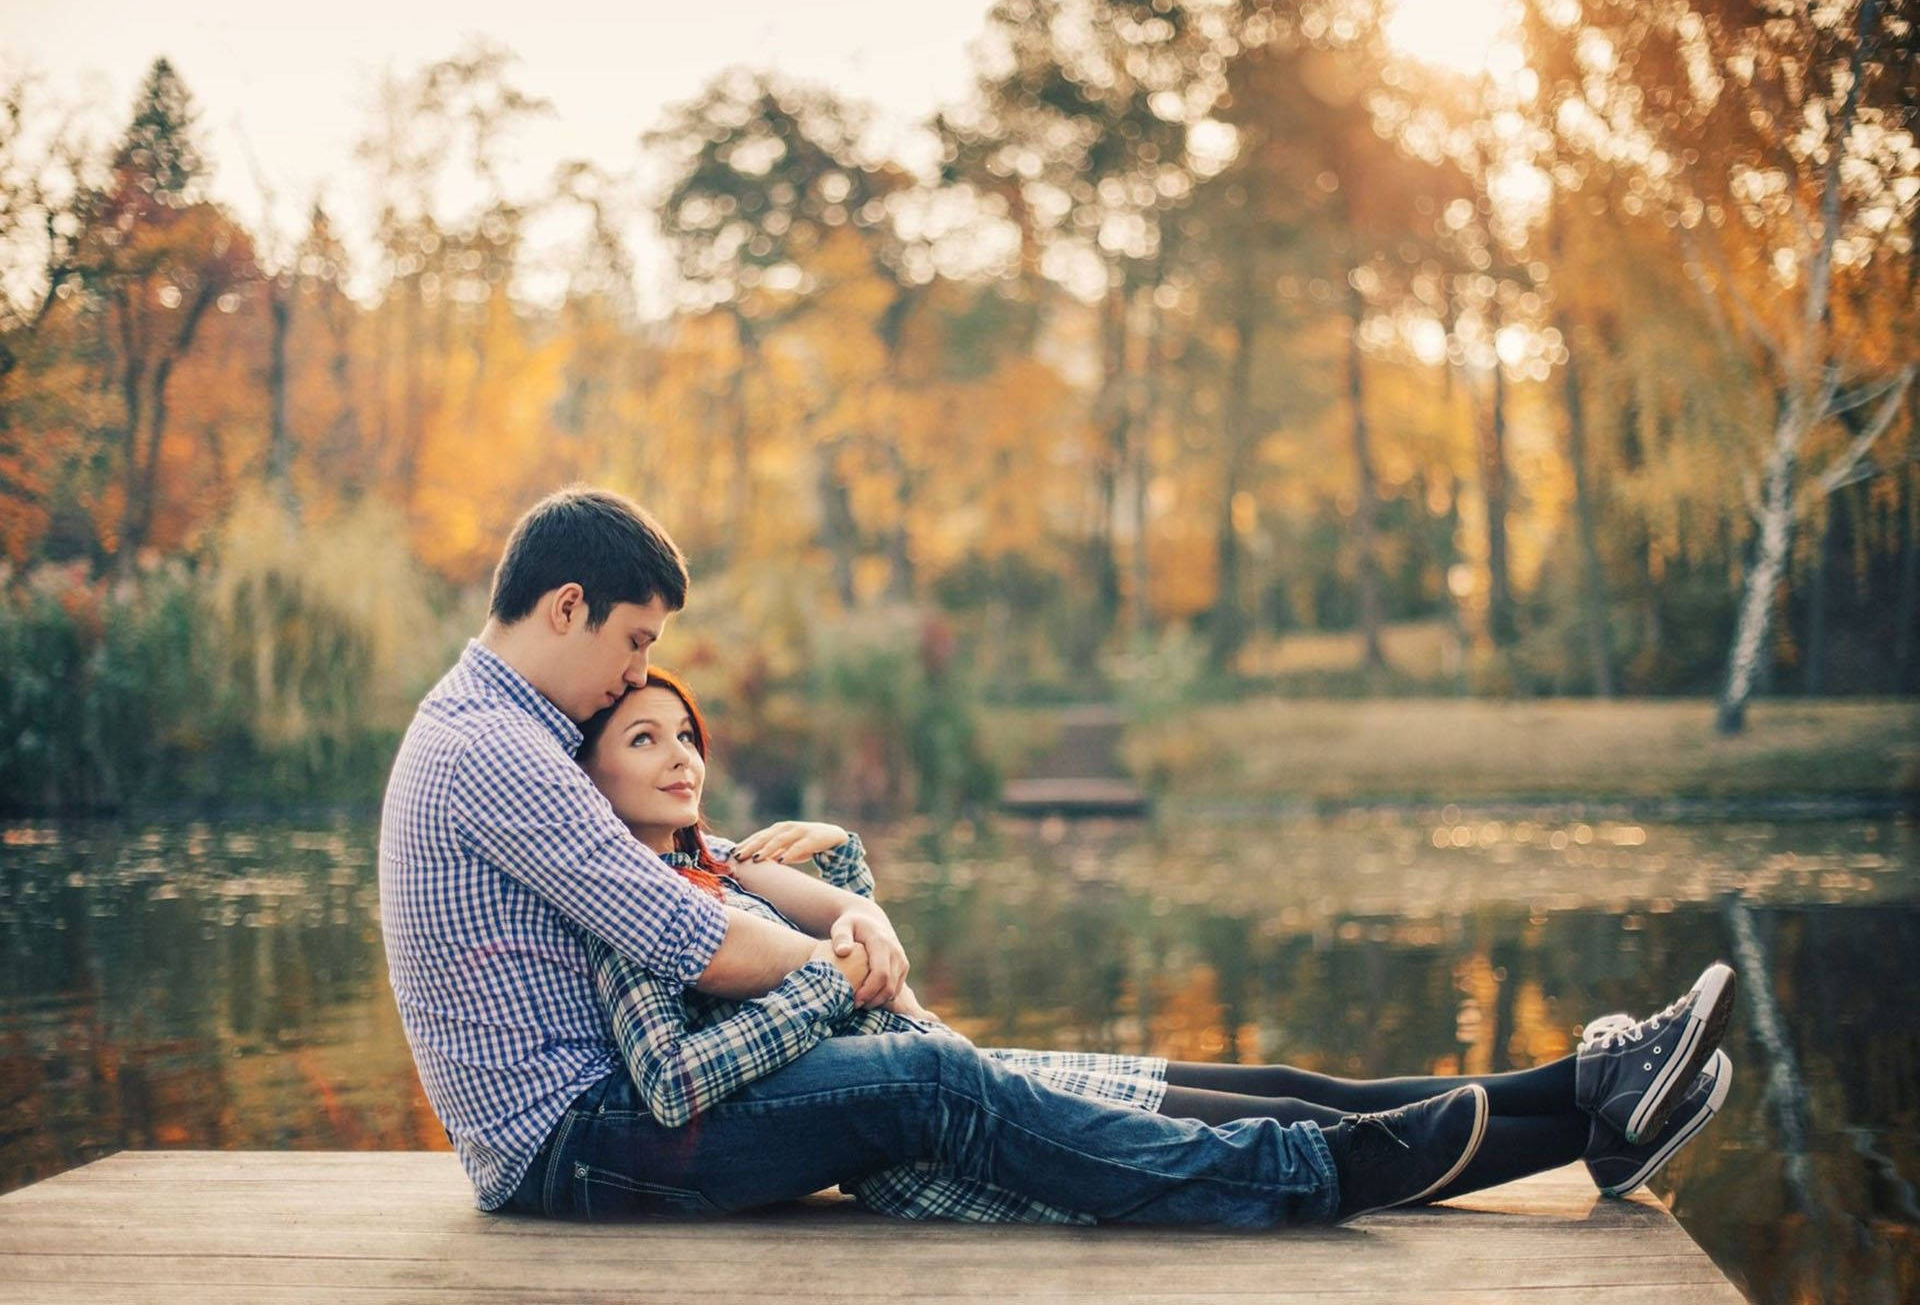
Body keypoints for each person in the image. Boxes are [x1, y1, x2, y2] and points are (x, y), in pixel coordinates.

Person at [378, 485, 1732, 1229]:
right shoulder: (495, 751)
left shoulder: (525, 737)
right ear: (567, 605)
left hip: (629, 1114)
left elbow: (709, 868)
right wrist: (853, 959)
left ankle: (1588, 1092)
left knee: (1057, 1069)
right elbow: (699, 937)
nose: (641, 669)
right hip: (580, 1144)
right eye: (632, 641)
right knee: (924, 1068)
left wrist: (844, 911)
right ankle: (1313, 1176)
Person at [564, 667, 1737, 1222]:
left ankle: (1592, 1097)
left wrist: (849, 876)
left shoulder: (713, 865)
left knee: (1280, 1083)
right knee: (1298, 1130)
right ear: (590, 777)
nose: (680, 757)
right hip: (935, 1146)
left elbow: (880, 972)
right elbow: (682, 1076)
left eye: (687, 735)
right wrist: (825, 980)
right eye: (643, 740)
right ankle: (1592, 1111)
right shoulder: (627, 903)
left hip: (974, 1074)